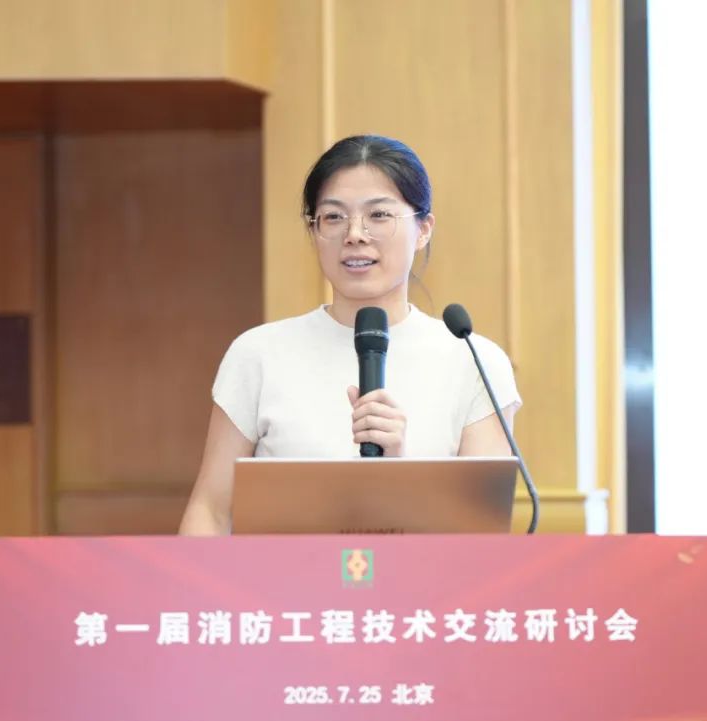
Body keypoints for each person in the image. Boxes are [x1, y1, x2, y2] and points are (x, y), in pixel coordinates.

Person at [179, 135, 521, 535]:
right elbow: (210, 512)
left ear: (423, 229)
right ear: (313, 230)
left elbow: (481, 539)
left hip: (422, 579)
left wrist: (400, 468)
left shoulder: (474, 361)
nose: (355, 234)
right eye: (333, 217)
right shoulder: (258, 354)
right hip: (284, 577)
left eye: (379, 215)